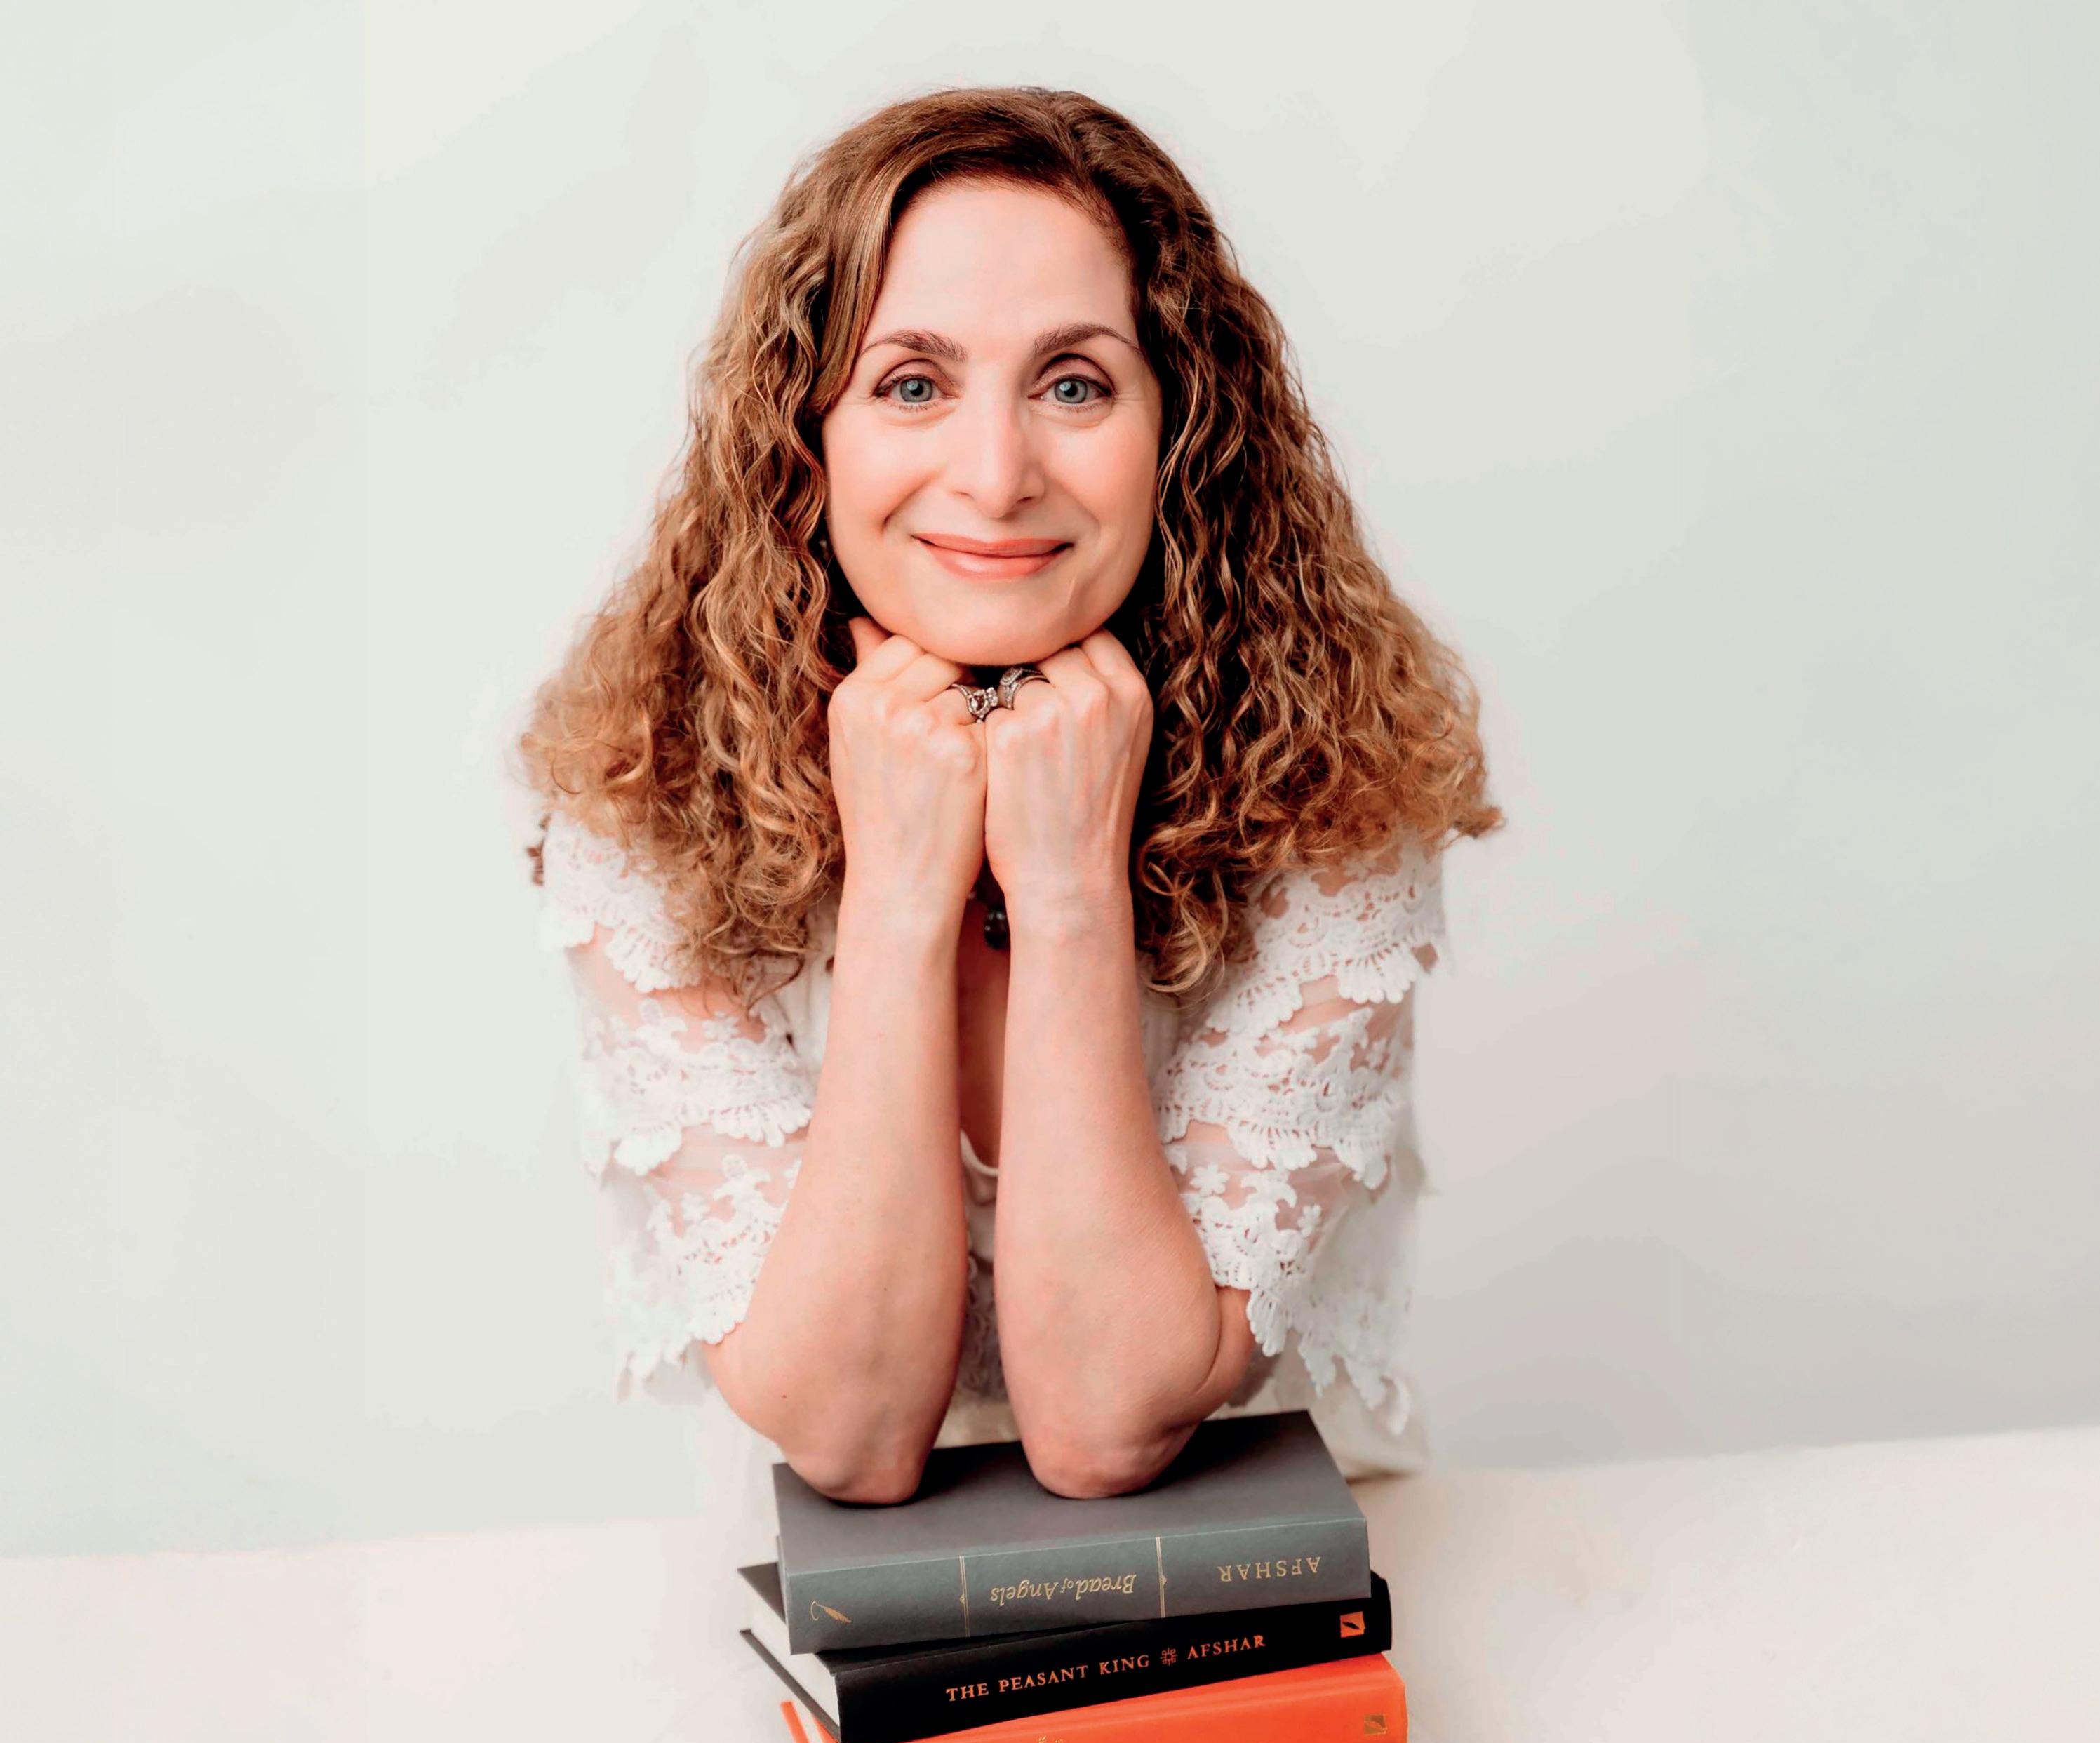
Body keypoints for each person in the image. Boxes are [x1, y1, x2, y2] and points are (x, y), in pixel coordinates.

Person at [511, 86, 1499, 1577]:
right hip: (844, 1636)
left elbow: (1108, 1426)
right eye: (912, 383)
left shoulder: (1333, 791)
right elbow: (849, 1437)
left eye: (1075, 385)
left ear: (1181, 430)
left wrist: (1071, 889)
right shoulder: (646, 799)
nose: (994, 474)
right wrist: (901, 894)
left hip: (1250, 1593)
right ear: (806, 435)